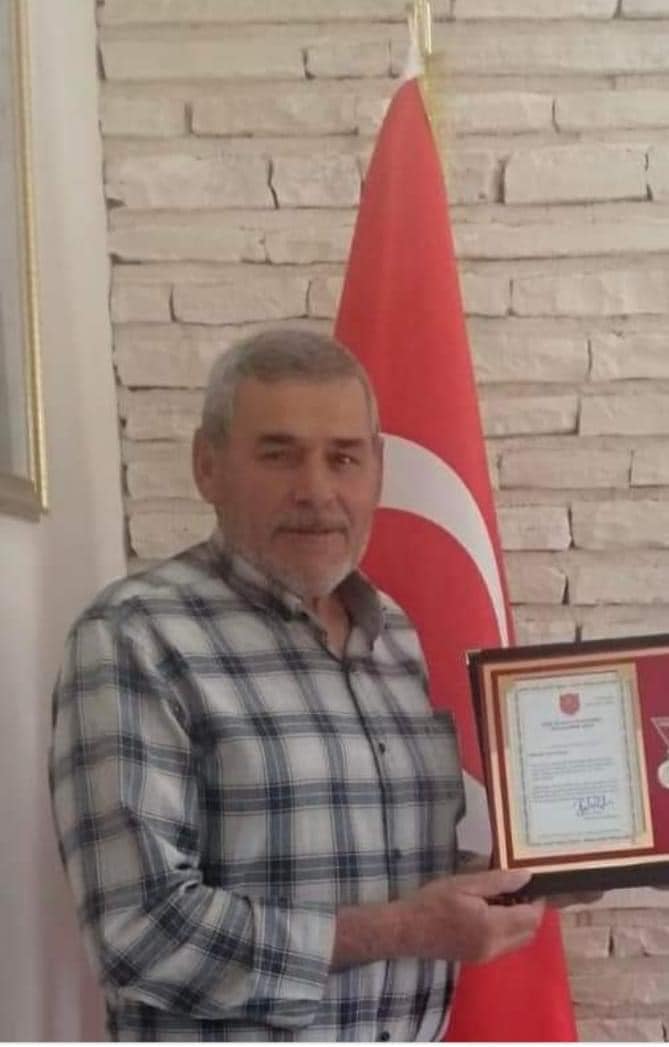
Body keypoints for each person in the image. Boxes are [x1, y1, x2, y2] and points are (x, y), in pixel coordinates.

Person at [50, 328, 544, 1042]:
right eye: (278, 454)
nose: (316, 491)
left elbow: (392, 870)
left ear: (376, 470)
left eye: (343, 457)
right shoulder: (135, 636)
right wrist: (402, 930)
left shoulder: (392, 635)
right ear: (208, 466)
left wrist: (549, 870)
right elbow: (141, 932)